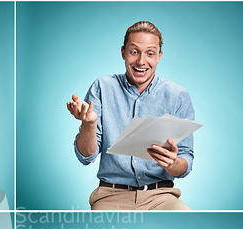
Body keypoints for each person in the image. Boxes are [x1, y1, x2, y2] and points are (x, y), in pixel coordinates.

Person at [67, 22, 195, 210]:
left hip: (161, 196)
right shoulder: (102, 87)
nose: (141, 61)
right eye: (134, 52)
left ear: (159, 56)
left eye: (150, 53)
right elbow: (86, 157)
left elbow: (186, 161)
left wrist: (172, 163)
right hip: (110, 196)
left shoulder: (178, 95)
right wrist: (90, 123)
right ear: (123, 52)